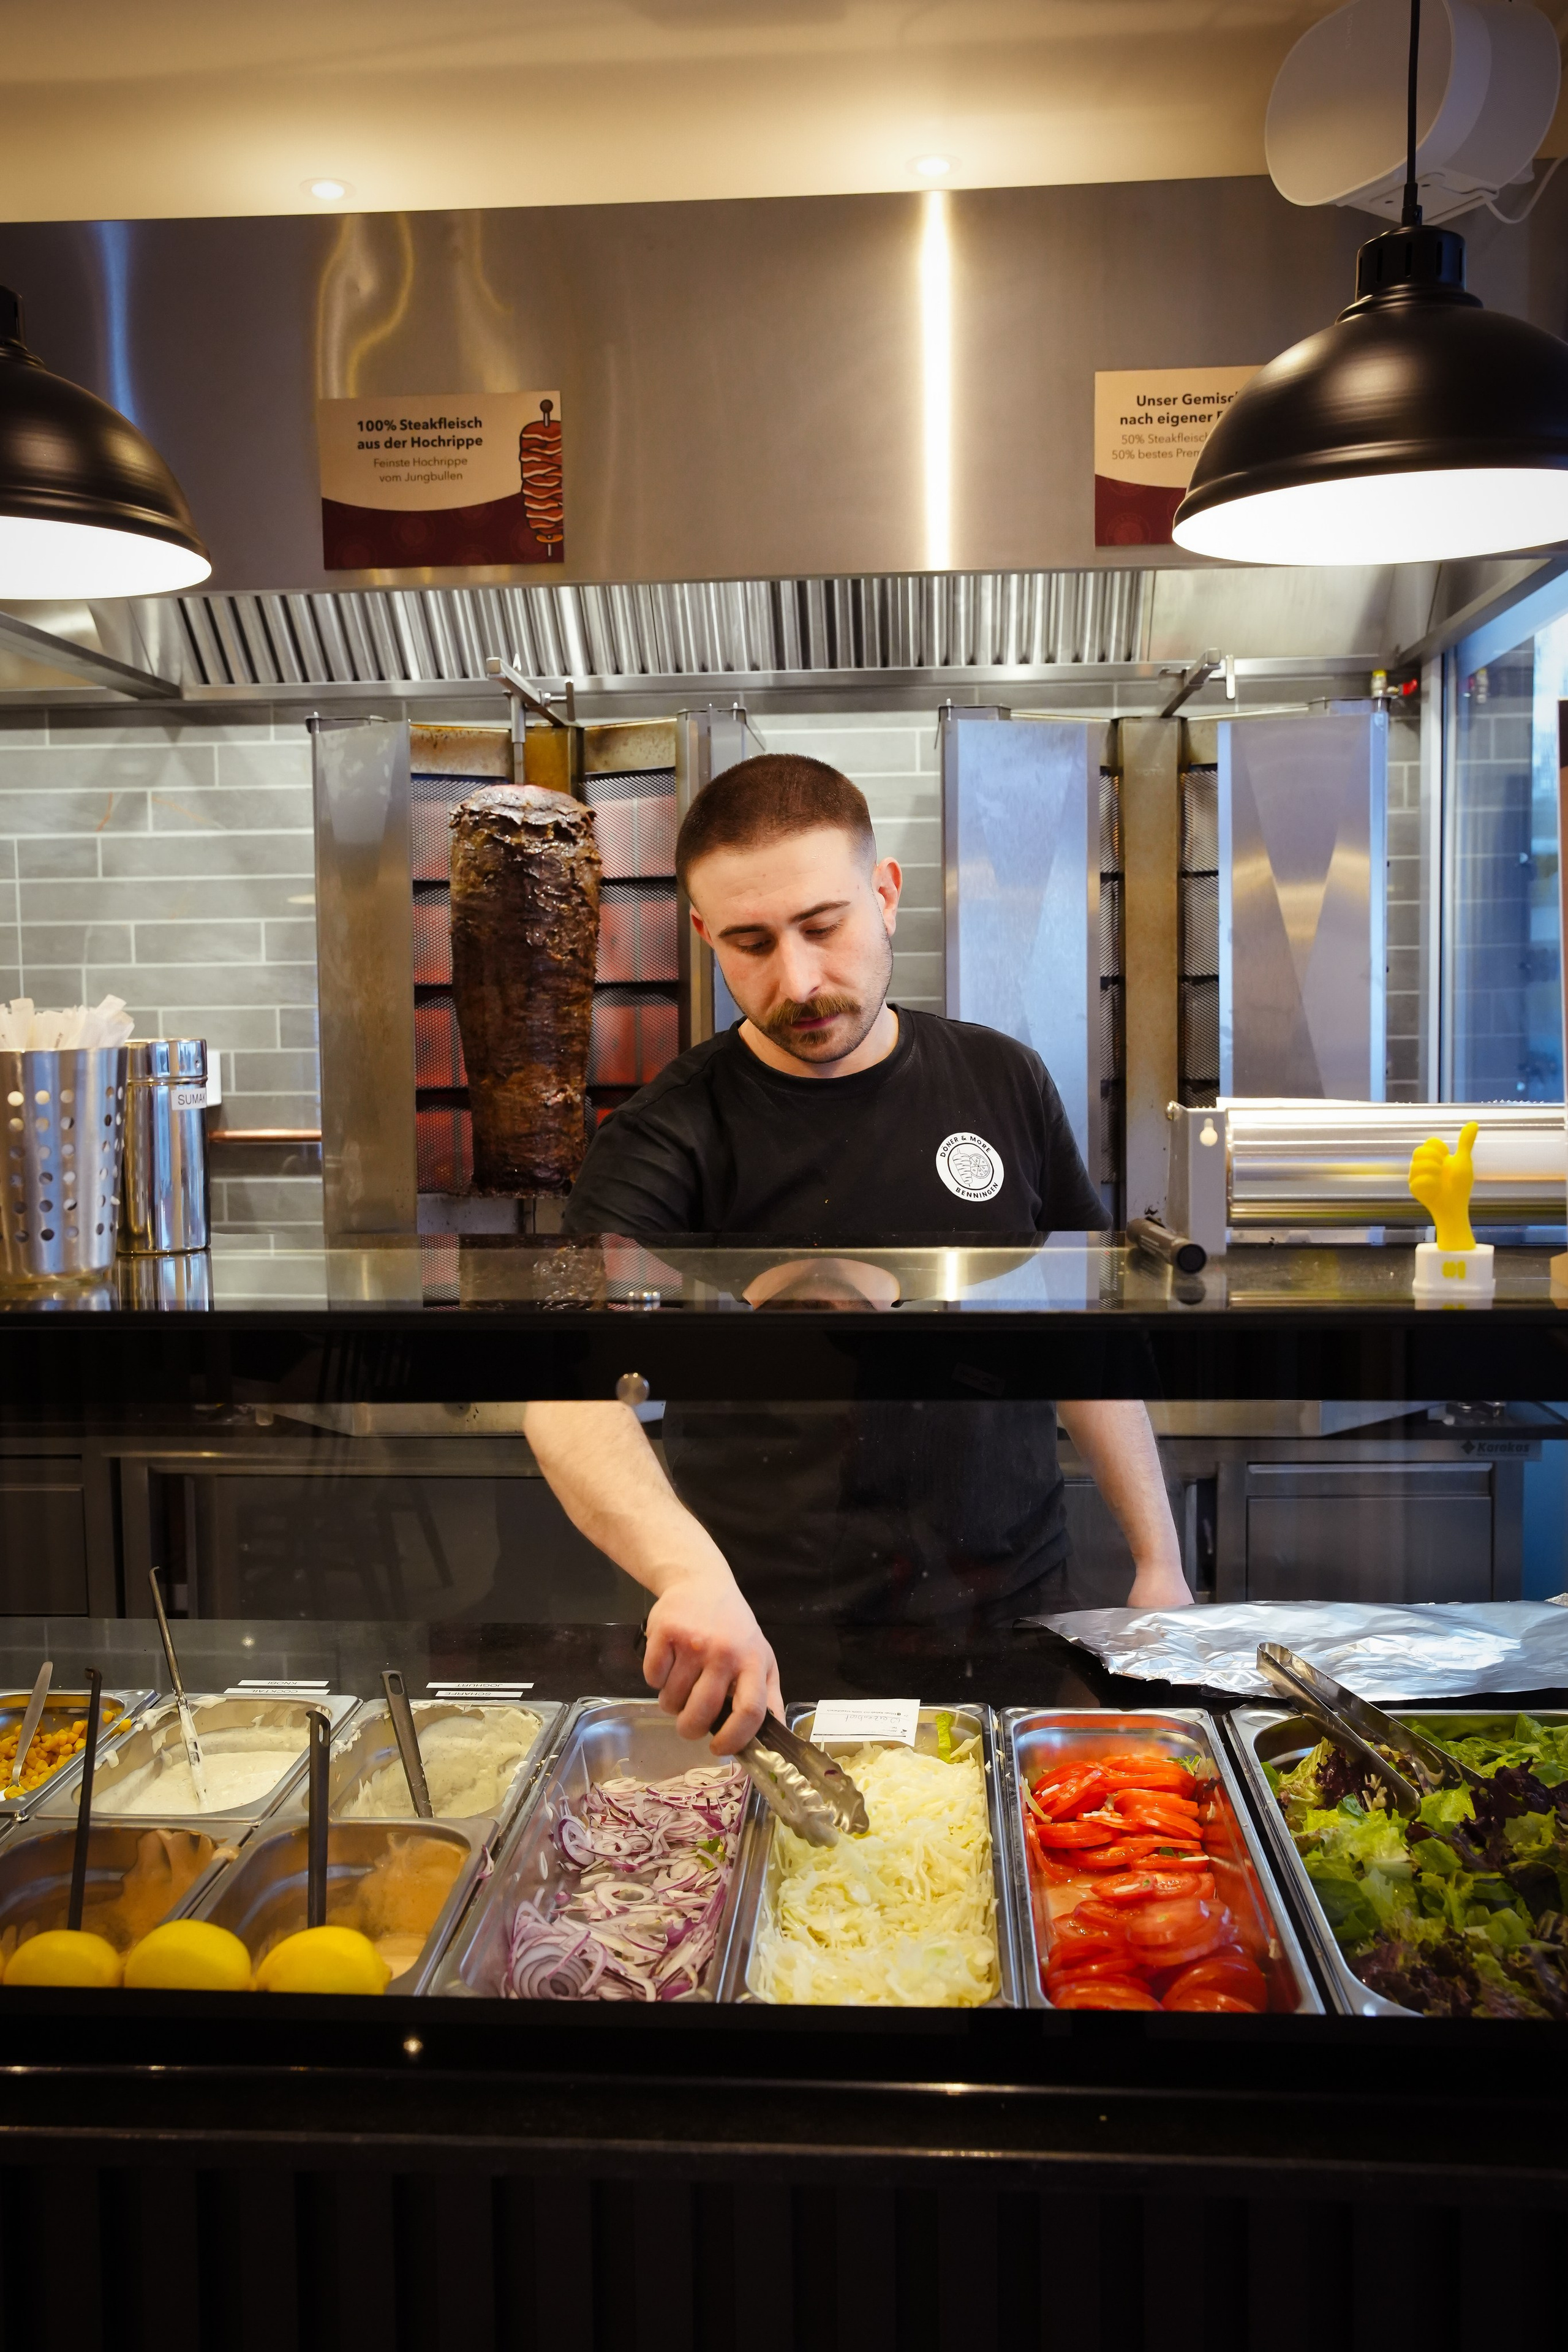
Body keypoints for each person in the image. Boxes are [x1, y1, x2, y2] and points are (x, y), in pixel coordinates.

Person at [524, 752, 1191, 1756]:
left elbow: (1082, 1336)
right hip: (767, 1642)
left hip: (1009, 1613)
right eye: (749, 943)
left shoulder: (1001, 1080)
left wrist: (1159, 1562)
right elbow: (564, 1391)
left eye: (821, 927)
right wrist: (688, 1576)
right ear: (704, 935)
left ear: (885, 895)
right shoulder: (669, 1134)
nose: (797, 981)